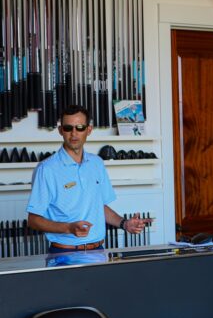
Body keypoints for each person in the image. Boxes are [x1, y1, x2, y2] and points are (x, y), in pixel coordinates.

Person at [27, 105, 150, 253]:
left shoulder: (96, 163)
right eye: (68, 128)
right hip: (64, 253)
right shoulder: (46, 169)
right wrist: (68, 228)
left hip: (98, 251)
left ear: (89, 130)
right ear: (60, 130)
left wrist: (125, 224)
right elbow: (33, 220)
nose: (74, 133)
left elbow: (99, 206)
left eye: (80, 128)